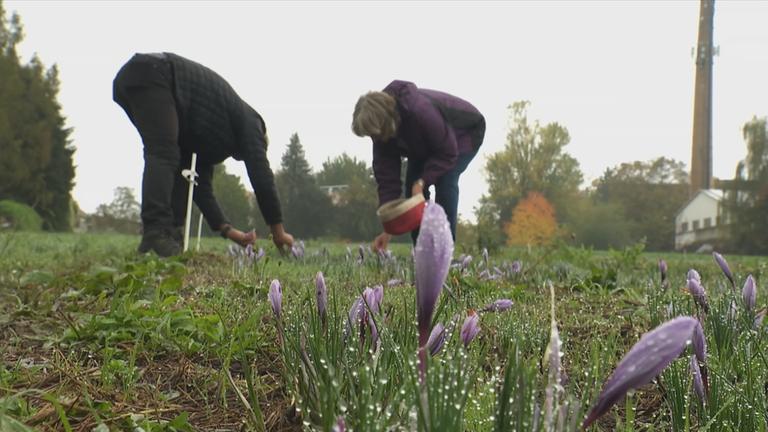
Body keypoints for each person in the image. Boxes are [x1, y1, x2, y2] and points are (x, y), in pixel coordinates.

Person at [113, 52, 294, 257]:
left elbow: (200, 187)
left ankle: (169, 235)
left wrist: (230, 232)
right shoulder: (252, 123)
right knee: (164, 153)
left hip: (137, 81)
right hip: (155, 73)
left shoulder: (208, 138)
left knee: (180, 167)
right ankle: (156, 233)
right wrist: (278, 231)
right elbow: (262, 177)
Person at [352, 80, 485, 251]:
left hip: (463, 133)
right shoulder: (380, 134)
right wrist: (389, 228)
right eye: (370, 135)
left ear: (383, 120)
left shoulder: (419, 111)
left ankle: (445, 250)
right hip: (423, 146)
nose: (374, 138)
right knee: (412, 189)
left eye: (373, 133)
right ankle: (422, 250)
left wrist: (422, 181)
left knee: (445, 180)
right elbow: (387, 181)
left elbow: (447, 153)